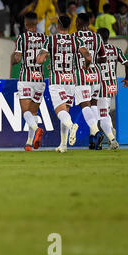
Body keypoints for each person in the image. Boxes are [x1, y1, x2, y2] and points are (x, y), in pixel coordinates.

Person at [36, 16, 92, 153]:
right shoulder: (76, 40)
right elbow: (88, 56)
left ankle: (72, 126)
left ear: (58, 25)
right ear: (69, 26)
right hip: (70, 80)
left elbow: (39, 60)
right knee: (65, 110)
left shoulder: (50, 40)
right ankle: (63, 145)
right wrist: (86, 66)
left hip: (57, 79)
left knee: (60, 111)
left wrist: (45, 57)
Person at [11, 12, 47, 151]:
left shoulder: (22, 37)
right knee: (33, 112)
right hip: (40, 80)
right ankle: (29, 142)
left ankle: (37, 129)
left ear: (25, 24)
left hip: (26, 79)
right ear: (36, 23)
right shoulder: (44, 38)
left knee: (25, 111)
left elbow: (18, 58)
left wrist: (12, 60)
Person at [73, 13, 107, 150]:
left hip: (82, 73)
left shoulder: (74, 37)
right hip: (96, 74)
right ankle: (93, 139)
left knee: (84, 104)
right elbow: (103, 58)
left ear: (78, 22)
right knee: (93, 104)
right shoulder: (97, 37)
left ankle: (96, 132)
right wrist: (93, 61)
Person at [96, 27, 128, 150]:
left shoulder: (96, 50)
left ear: (99, 37)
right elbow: (127, 64)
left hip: (101, 85)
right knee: (105, 111)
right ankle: (110, 132)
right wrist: (126, 79)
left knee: (102, 114)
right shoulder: (116, 50)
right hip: (112, 85)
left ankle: (112, 139)